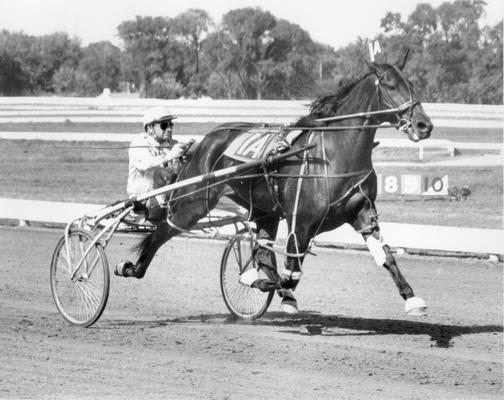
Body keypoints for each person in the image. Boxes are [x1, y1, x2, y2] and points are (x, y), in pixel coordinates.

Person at [127, 106, 187, 224]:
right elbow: (146, 164)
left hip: (166, 203)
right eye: (164, 125)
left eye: (171, 124)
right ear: (150, 127)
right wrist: (169, 156)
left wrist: (184, 159)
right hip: (143, 203)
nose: (169, 128)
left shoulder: (171, 144)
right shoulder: (138, 143)